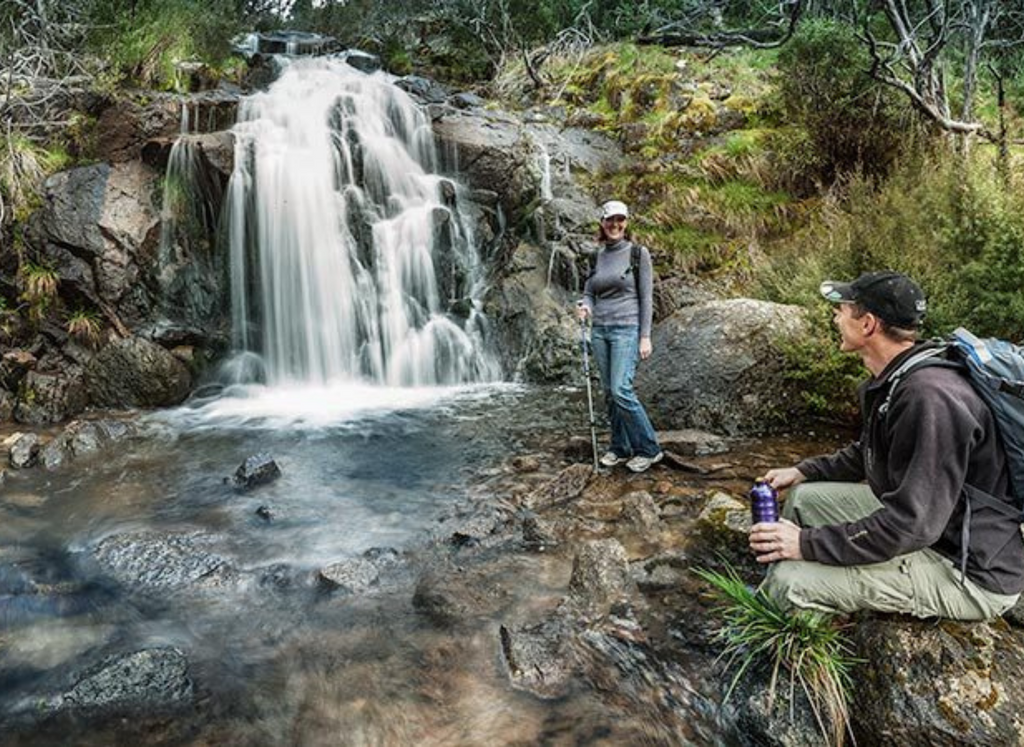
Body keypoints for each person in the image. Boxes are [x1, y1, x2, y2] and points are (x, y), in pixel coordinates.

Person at [750, 270, 1024, 620]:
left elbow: (911, 524)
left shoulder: (929, 397)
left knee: (791, 581)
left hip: (966, 567)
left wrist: (805, 545)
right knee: (805, 499)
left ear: (867, 324)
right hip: (938, 531)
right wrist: (805, 470)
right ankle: (796, 592)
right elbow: (870, 451)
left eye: (842, 310)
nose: (835, 317)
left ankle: (791, 639)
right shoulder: (900, 376)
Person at [576, 200, 663, 473]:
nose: (615, 225)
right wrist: (585, 305)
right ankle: (620, 447)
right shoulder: (596, 257)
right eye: (610, 220)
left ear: (626, 223)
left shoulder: (638, 254)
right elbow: (590, 291)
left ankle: (649, 449)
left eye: (620, 220)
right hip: (599, 329)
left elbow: (647, 298)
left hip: (627, 329)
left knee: (621, 390)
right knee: (609, 394)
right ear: (602, 223)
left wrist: (645, 336)